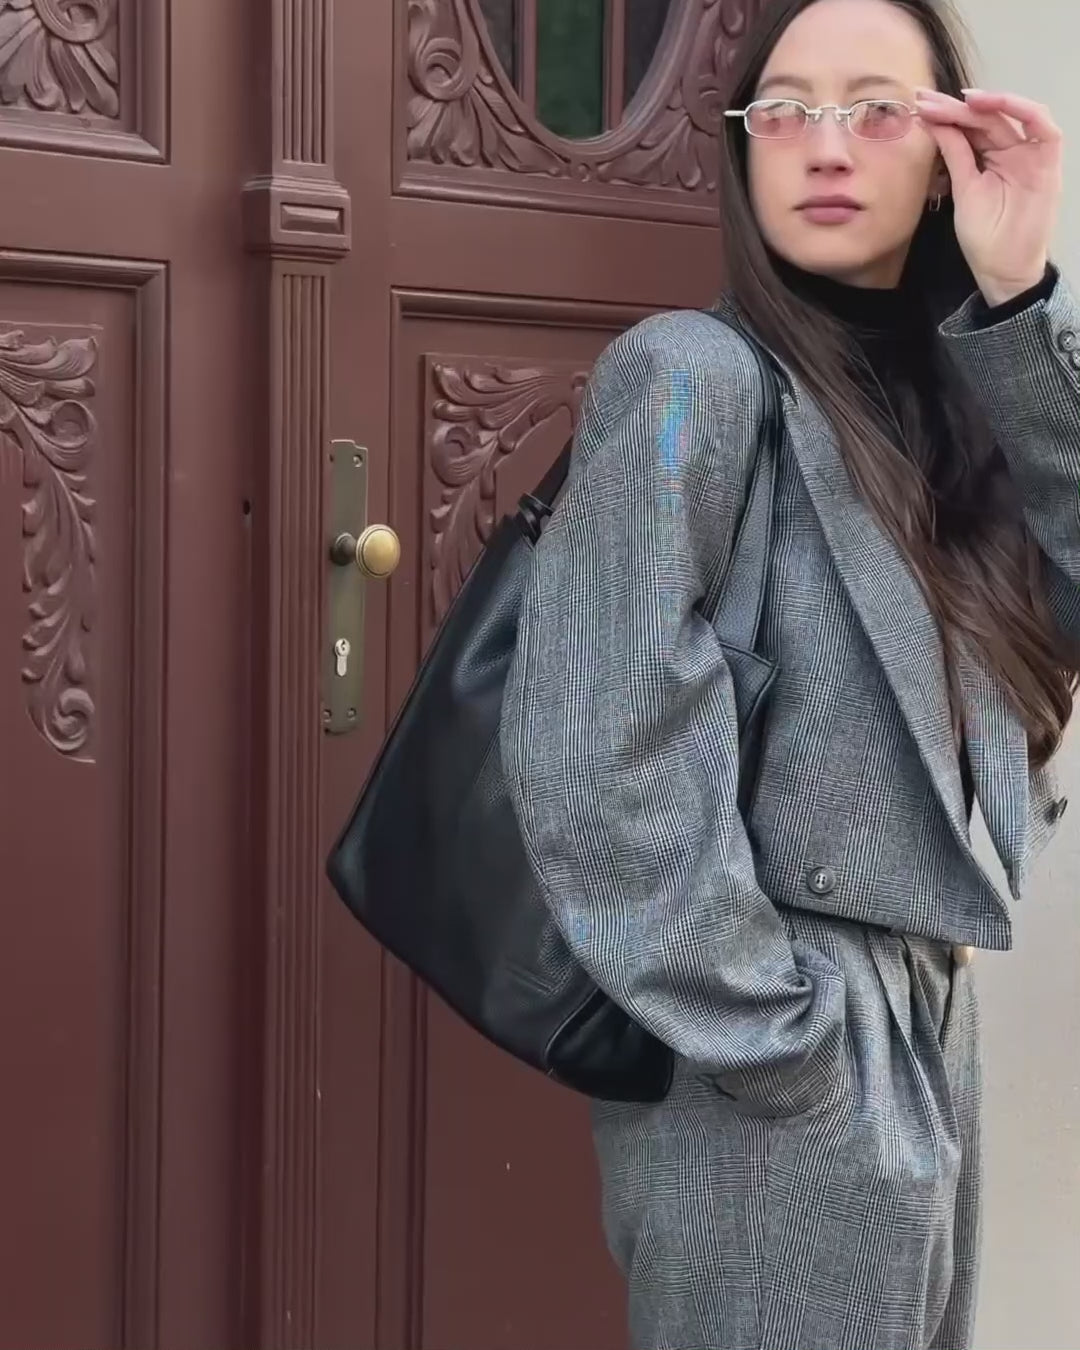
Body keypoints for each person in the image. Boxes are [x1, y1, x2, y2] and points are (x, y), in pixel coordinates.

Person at [499, 0, 1080, 1346]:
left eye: (876, 110)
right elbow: (598, 758)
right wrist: (791, 1053)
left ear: (946, 156)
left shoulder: (950, 400)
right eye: (785, 111)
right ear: (742, 147)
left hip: (922, 1022)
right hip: (777, 1049)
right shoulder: (688, 380)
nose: (824, 144)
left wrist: (1016, 303)